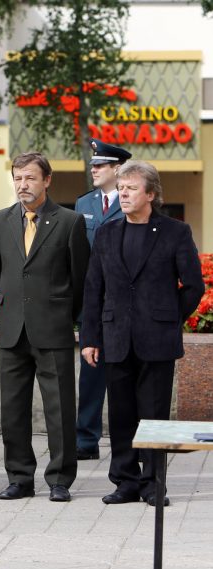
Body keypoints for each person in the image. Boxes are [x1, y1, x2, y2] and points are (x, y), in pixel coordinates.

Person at [80, 161, 203, 507]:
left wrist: (168, 316)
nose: (124, 193)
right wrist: (90, 338)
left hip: (157, 340)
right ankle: (125, 481)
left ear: (150, 194)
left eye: (132, 188)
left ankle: (153, 483)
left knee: (154, 416)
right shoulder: (107, 233)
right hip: (116, 337)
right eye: (121, 188)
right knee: (120, 414)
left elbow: (193, 285)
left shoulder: (175, 232)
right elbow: (94, 289)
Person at [0, 152, 89, 502]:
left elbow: (80, 280)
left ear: (47, 181)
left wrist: (64, 315)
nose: (22, 184)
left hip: (53, 328)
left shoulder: (70, 221)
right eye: (17, 178)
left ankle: (60, 479)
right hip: (13, 329)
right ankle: (19, 478)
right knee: (13, 410)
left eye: (29, 178)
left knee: (59, 409)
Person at [74, 139, 132, 461]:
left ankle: (133, 441)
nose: (93, 169)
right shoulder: (84, 204)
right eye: (93, 164)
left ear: (117, 169)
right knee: (91, 374)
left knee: (126, 374)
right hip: (92, 302)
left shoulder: (130, 201)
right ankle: (86, 440)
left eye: (101, 165)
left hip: (124, 302)